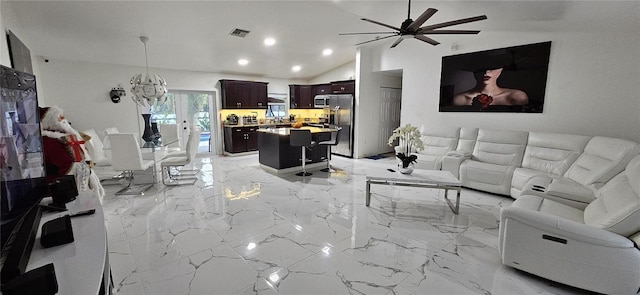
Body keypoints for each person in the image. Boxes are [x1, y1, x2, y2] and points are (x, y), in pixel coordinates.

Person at [40, 106, 105, 201]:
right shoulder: (55, 139)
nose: (64, 121)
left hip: (67, 187)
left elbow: (69, 165)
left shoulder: (51, 140)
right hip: (74, 183)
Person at [452, 68, 528, 107]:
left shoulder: (517, 97)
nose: (486, 72)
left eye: (492, 67)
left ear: (500, 70)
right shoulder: (460, 99)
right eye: (480, 68)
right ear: (474, 71)